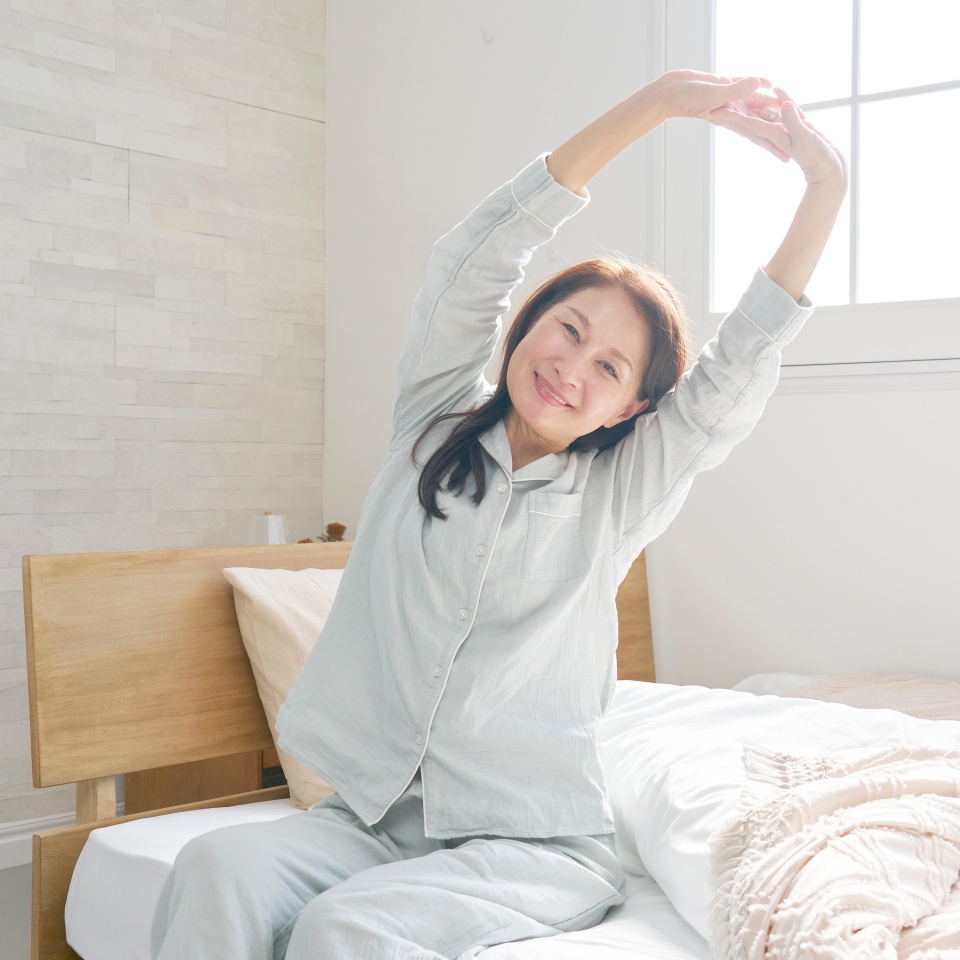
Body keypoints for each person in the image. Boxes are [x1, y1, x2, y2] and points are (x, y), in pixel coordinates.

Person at [151, 70, 847, 959]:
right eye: (569, 330)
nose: (571, 368)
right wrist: (660, 103)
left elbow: (735, 368)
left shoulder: (618, 496)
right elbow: (476, 257)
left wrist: (825, 188)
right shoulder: (430, 418)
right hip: (371, 820)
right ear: (529, 323)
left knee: (344, 927)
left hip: (534, 843)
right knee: (213, 865)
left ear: (631, 409)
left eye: (609, 368)